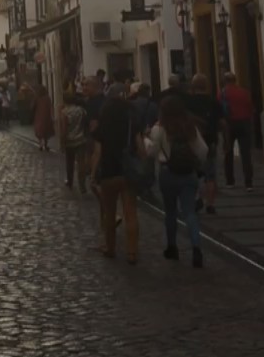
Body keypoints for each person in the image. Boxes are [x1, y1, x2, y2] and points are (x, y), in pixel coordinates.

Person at [146, 92, 207, 267]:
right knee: (190, 212)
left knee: (170, 212)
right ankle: (196, 248)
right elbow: (202, 151)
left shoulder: (159, 128)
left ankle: (172, 247)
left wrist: (146, 140)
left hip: (167, 173)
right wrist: (195, 164)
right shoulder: (189, 126)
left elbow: (151, 152)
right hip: (188, 174)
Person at [92, 94, 140, 263]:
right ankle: (132, 252)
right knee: (130, 213)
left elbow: (97, 153)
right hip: (127, 172)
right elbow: (141, 149)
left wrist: (92, 175)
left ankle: (110, 248)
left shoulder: (102, 127)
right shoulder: (130, 125)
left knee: (109, 213)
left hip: (108, 172)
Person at [185, 73, 226, 214]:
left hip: (191, 142)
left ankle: (197, 198)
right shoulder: (213, 101)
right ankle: (210, 203)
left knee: (192, 172)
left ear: (193, 86)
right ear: (206, 86)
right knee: (210, 174)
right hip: (210, 141)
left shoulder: (187, 102)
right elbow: (222, 123)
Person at [219, 72, 255, 188]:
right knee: (246, 154)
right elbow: (250, 108)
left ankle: (230, 181)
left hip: (229, 124)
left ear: (224, 81)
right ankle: (248, 182)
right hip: (244, 123)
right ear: (235, 80)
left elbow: (219, 109)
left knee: (228, 152)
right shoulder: (244, 92)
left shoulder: (222, 93)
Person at [58, 92, 89, 190]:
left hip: (70, 140)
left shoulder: (64, 112)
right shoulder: (81, 110)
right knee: (81, 163)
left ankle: (70, 181)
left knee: (70, 162)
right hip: (81, 139)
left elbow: (63, 128)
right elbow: (85, 123)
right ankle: (82, 184)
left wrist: (62, 142)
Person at [33, 83, 55, 151]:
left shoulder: (37, 98)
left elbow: (33, 106)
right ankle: (45, 144)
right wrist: (52, 116)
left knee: (39, 131)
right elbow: (50, 107)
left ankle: (40, 144)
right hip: (46, 116)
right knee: (46, 131)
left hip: (39, 116)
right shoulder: (47, 98)